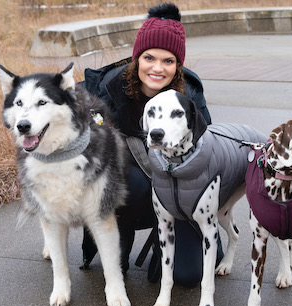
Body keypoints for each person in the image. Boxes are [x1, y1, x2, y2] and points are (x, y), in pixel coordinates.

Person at [80, 3, 223, 287]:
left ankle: (168, 237)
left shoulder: (190, 94)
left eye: (168, 61)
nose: (157, 68)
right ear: (136, 58)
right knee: (127, 179)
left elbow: (208, 148)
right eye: (149, 57)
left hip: (179, 193)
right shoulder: (108, 89)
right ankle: (117, 236)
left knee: (188, 276)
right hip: (131, 189)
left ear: (178, 66)